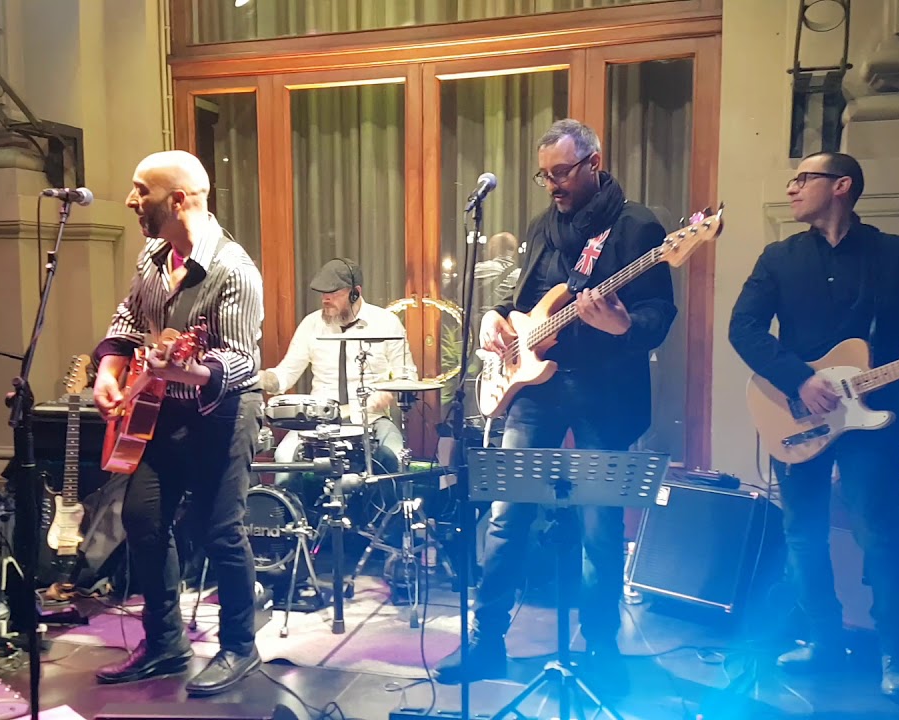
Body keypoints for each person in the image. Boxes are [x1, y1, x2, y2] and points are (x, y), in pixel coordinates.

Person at [434, 119, 676, 693]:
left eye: (562, 172)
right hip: (536, 388)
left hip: (604, 393)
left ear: (594, 163)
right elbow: (524, 298)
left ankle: (602, 649)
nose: (552, 185)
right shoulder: (544, 224)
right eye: (544, 175)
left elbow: (659, 314)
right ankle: (488, 642)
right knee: (506, 514)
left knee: (599, 525)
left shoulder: (638, 226)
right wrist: (496, 317)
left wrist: (622, 325)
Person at [729, 151, 899, 699]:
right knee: (803, 533)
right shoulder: (779, 257)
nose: (792, 188)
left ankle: (897, 653)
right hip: (796, 412)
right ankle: (823, 640)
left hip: (873, 417)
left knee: (879, 531)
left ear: (841, 185)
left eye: (804, 178)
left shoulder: (895, 254)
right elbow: (743, 328)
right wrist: (799, 379)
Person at [90, 150, 264, 695]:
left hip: (223, 412)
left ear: (179, 200)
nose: (130, 201)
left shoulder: (234, 271)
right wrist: (110, 368)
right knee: (142, 520)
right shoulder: (153, 255)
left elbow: (242, 362)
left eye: (141, 190)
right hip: (163, 408)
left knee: (220, 531)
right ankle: (165, 643)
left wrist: (188, 370)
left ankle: (240, 646)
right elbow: (128, 316)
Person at [259, 258, 417, 486]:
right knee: (284, 457)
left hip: (371, 419)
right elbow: (287, 373)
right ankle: (289, 508)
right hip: (318, 421)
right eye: (323, 293)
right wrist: (263, 379)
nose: (325, 299)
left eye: (333, 293)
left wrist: (387, 393)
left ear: (355, 293)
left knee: (395, 454)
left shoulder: (386, 323)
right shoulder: (311, 324)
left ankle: (389, 509)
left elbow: (407, 376)